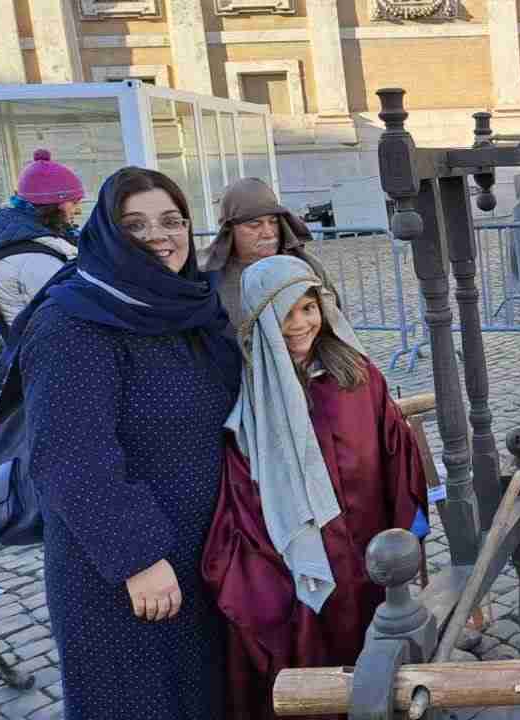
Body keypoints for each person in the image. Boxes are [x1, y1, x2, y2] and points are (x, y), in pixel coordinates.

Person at [13, 167, 243, 719]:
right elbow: (70, 457)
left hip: (200, 551)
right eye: (135, 225)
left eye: (171, 220)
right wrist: (138, 557)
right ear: (109, 235)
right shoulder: (74, 322)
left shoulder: (188, 307)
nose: (159, 236)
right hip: (123, 571)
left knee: (200, 698)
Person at [202, 254, 429, 720]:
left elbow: (393, 452)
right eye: (285, 313)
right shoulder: (250, 395)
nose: (300, 323)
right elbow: (247, 484)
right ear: (260, 319)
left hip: (368, 546)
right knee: (317, 651)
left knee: (373, 647)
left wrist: (408, 524)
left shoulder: (357, 375)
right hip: (304, 555)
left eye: (308, 308)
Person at [199, 177, 332, 333]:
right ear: (230, 229)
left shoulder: (306, 268)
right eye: (254, 224)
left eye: (274, 221)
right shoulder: (206, 279)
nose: (269, 233)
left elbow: (336, 325)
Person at [0, 149, 83, 328]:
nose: (78, 210)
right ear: (54, 205)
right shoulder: (35, 259)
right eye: (74, 202)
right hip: (42, 348)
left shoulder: (17, 237)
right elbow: (67, 319)